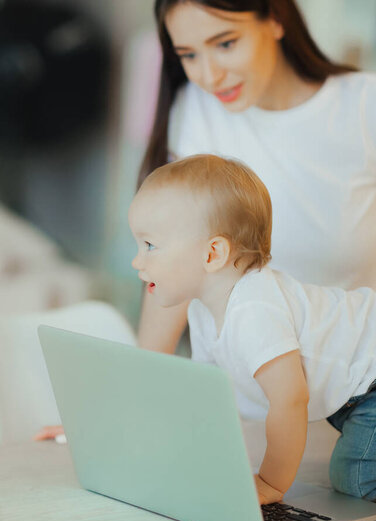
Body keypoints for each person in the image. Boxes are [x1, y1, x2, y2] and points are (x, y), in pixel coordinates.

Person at [129, 153, 376, 505]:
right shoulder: (203, 307)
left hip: (370, 378)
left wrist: (271, 483)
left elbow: (290, 399)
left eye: (150, 245)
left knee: (355, 476)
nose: (137, 261)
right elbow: (211, 400)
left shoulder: (254, 308)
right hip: (352, 392)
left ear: (212, 254)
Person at [137, 0, 376, 355]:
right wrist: (141, 374)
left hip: (349, 389)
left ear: (276, 19)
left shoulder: (362, 107)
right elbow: (173, 262)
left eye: (226, 44)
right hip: (232, 391)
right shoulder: (196, 111)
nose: (210, 76)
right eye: (188, 55)